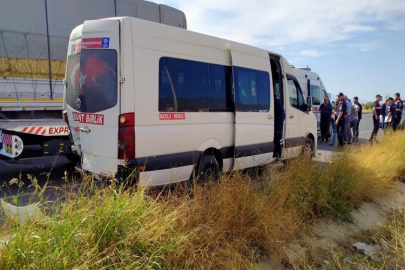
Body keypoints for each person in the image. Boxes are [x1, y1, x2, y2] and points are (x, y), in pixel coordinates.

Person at [273, 92, 285, 159]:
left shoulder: (273, 95)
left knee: (279, 135)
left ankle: (279, 155)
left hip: (280, 116)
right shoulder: (275, 95)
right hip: (280, 114)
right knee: (277, 134)